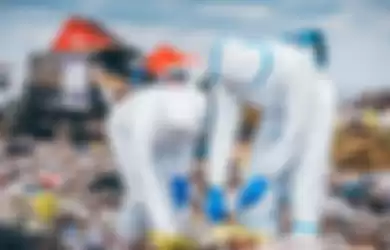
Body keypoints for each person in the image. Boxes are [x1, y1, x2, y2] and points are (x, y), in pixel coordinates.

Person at [201, 31, 337, 249]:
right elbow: (222, 130)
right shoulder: (225, 77)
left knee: (306, 170)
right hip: (274, 111)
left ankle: (304, 234)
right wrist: (215, 184)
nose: (237, 90)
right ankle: (262, 235)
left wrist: (264, 176)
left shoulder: (293, 65)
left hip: (312, 107)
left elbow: (295, 133)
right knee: (258, 170)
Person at [88, 47, 206, 249]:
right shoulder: (144, 108)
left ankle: (139, 235)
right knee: (150, 187)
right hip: (155, 124)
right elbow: (148, 175)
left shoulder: (130, 113)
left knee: (150, 187)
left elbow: (152, 176)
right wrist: (168, 228)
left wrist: (170, 228)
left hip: (160, 125)